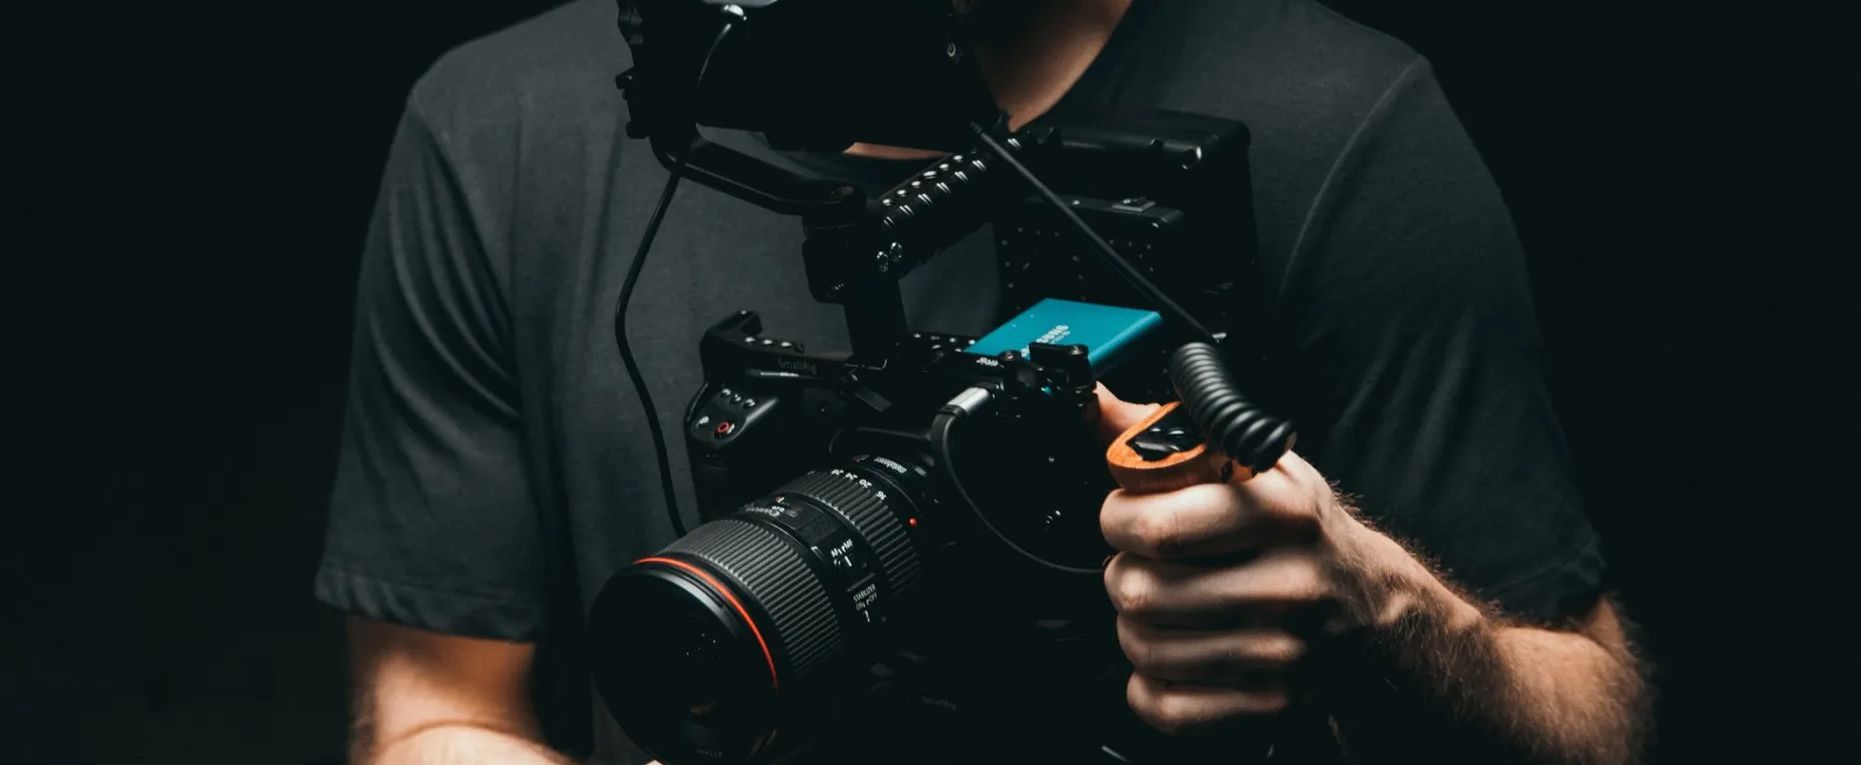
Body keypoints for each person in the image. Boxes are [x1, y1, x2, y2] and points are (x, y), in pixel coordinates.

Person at [314, 0, 1651, 763]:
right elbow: (436, 707)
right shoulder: (502, 124)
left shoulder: (1330, 114)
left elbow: (1594, 724)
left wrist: (1379, 604)